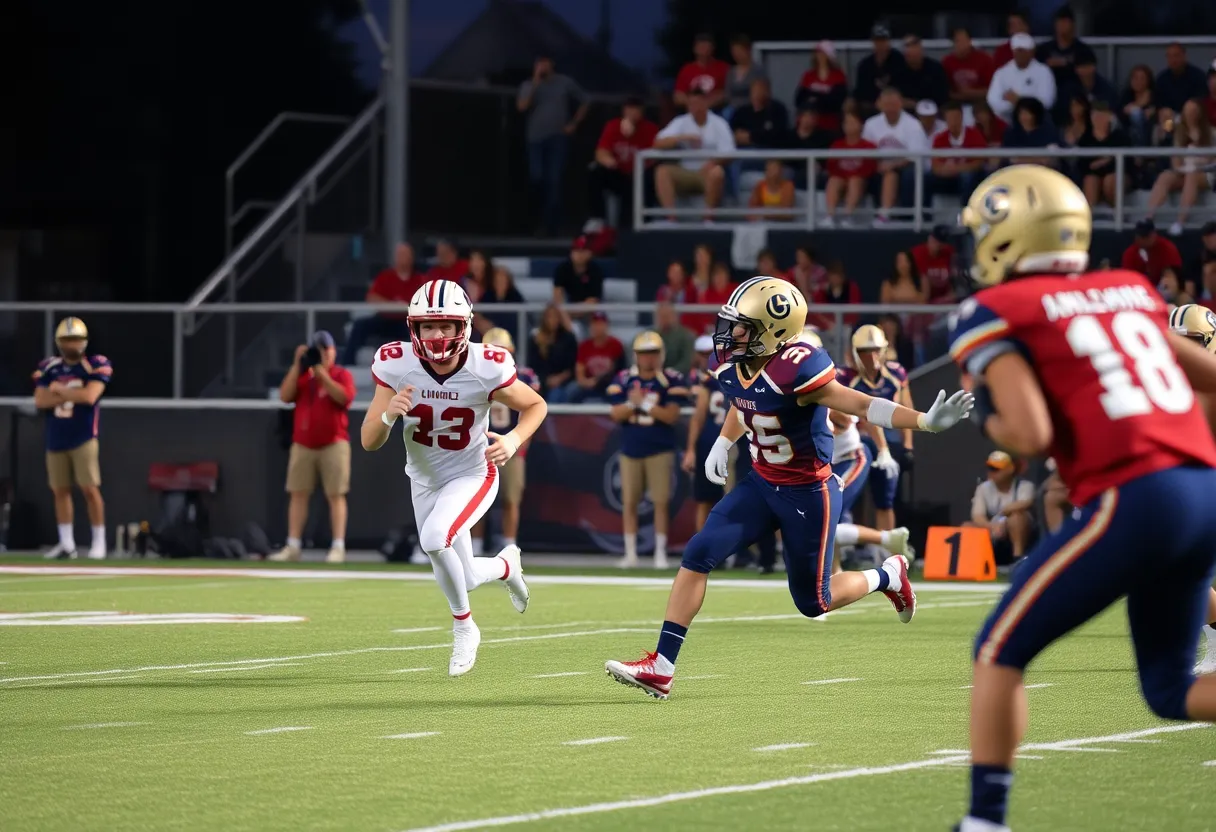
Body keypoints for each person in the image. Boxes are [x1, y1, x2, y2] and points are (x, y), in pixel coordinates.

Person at [948, 164, 1216, 832]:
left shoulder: (993, 310)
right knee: (1169, 690)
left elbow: (1030, 433)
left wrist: (982, 412)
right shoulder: (1127, 288)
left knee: (997, 652)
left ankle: (985, 823)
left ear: (1006, 238)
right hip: (1203, 491)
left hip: (1136, 496)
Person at [605, 277, 974, 698]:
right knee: (698, 552)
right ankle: (663, 666)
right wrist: (724, 442)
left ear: (771, 332)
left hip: (807, 493)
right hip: (762, 483)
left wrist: (923, 421)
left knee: (812, 601)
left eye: (741, 326)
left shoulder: (798, 367)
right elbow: (743, 400)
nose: (729, 333)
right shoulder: (730, 361)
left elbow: (859, 403)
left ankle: (887, 575)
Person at [363, 280, 546, 677]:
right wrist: (389, 414)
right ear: (414, 328)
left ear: (465, 325)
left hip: (472, 472)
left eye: (446, 325)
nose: (437, 334)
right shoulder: (396, 363)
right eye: (428, 326)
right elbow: (368, 441)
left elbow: (535, 405)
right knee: (464, 574)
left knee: (433, 539)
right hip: (423, 478)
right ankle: (505, 567)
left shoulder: (486, 365)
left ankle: (464, 627)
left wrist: (513, 439)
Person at [800, 327, 908, 565]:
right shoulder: (784, 386)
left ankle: (884, 540)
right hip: (822, 465)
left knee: (824, 513)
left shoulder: (829, 386)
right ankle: (834, 568)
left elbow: (862, 414)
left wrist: (884, 449)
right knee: (814, 517)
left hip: (848, 456)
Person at [270, 331, 357, 564]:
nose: (323, 354)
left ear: (333, 351)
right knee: (298, 493)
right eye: (318, 350)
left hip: (334, 443)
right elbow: (285, 396)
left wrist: (322, 374)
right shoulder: (303, 376)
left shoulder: (341, 374)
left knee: (336, 494)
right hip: (303, 444)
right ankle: (293, 545)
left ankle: (338, 546)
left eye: (325, 349)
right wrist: (297, 366)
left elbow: (344, 398)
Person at [606, 332, 688, 569]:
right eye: (644, 354)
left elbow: (671, 416)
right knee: (629, 502)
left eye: (653, 353)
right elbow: (616, 413)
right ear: (636, 356)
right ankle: (631, 553)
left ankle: (660, 553)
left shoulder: (671, 379)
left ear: (661, 355)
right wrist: (633, 403)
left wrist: (643, 403)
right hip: (630, 449)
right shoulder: (623, 379)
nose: (649, 359)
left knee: (661, 502)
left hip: (660, 449)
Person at [32, 317, 111, 559]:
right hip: (56, 436)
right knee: (60, 490)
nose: (72, 345)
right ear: (58, 342)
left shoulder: (95, 365)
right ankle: (67, 544)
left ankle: (99, 542)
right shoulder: (49, 367)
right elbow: (40, 400)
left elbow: (90, 396)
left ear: (85, 341)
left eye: (76, 339)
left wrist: (59, 390)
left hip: (84, 436)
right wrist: (69, 394)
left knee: (89, 488)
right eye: (67, 340)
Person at [470, 328, 541, 558]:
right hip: (480, 446)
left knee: (511, 498)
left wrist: (519, 443)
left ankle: (510, 547)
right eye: (491, 351)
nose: (495, 356)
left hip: (510, 445)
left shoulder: (524, 376)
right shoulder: (471, 373)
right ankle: (476, 546)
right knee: (476, 501)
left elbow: (533, 409)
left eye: (501, 351)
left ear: (510, 352)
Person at [835, 325, 911, 532]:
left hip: (889, 440)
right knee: (846, 498)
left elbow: (906, 407)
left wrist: (907, 445)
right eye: (865, 351)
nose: (871, 356)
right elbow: (861, 414)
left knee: (886, 498)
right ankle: (848, 547)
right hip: (855, 443)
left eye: (876, 349)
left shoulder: (895, 373)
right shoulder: (844, 376)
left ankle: (884, 548)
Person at [516, 54, 588, 236]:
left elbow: (585, 100)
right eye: (539, 62)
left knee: (554, 181)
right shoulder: (528, 85)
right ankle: (535, 220)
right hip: (535, 139)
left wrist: (573, 123)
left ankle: (551, 226)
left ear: (552, 64)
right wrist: (535, 83)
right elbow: (522, 107)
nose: (542, 66)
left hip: (558, 138)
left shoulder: (564, 82)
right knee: (537, 177)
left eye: (545, 62)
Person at [341, 242, 423, 366]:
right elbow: (371, 297)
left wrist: (406, 306)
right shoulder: (385, 276)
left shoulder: (419, 279)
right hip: (385, 319)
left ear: (411, 257)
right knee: (359, 326)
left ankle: (422, 367)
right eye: (399, 254)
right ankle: (347, 365)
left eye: (405, 254)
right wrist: (393, 305)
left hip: (407, 322)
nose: (402, 258)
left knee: (421, 332)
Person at [967, 451, 1038, 565]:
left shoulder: (1025, 486)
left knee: (1016, 518)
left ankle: (1018, 559)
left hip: (1020, 534)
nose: (991, 472)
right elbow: (977, 515)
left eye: (996, 469)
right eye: (989, 468)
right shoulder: (983, 488)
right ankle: (971, 564)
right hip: (994, 529)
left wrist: (1003, 520)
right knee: (967, 527)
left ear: (1010, 469)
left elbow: (1026, 503)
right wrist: (992, 526)